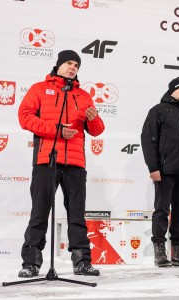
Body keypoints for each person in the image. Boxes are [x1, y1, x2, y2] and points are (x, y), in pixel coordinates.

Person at [18, 50, 105, 277]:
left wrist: (93, 118)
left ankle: (82, 262)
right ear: (58, 65)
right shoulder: (39, 89)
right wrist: (56, 131)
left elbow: (97, 131)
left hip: (76, 163)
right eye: (69, 62)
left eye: (76, 64)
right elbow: (24, 117)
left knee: (77, 215)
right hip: (47, 160)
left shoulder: (84, 95)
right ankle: (31, 263)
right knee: (39, 213)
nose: (73, 67)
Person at [141, 77, 179, 267]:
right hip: (165, 171)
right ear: (171, 91)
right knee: (161, 211)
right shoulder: (158, 111)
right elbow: (148, 140)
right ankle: (159, 252)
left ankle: (178, 253)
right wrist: (154, 167)